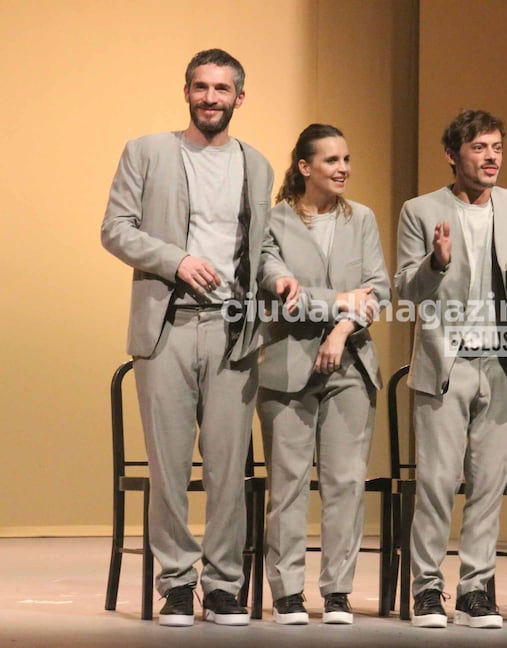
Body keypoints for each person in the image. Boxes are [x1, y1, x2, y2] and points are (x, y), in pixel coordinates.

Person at [101, 48, 279, 627]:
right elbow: (115, 229)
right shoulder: (147, 151)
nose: (210, 98)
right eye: (200, 87)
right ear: (186, 92)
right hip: (168, 325)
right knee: (169, 465)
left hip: (232, 329)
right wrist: (176, 260)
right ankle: (176, 583)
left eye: (221, 89)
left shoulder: (257, 164)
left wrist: (276, 282)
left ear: (239, 98)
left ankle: (225, 584)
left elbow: (259, 247)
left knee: (229, 467)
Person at [395, 109, 507, 629]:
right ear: (453, 155)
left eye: (497, 148)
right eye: (480, 148)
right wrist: (435, 263)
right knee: (438, 482)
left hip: (504, 361)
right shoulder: (420, 210)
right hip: (447, 361)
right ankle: (425, 588)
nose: (491, 158)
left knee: (488, 484)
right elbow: (406, 289)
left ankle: (476, 589)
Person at [255, 124, 391, 626]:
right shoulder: (274, 222)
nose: (343, 169)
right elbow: (277, 287)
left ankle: (337, 591)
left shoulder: (363, 219)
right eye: (331, 160)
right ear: (305, 167)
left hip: (350, 363)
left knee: (345, 483)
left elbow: (378, 289)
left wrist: (340, 331)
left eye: (347, 159)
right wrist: (336, 301)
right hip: (287, 364)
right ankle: (288, 591)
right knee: (287, 484)